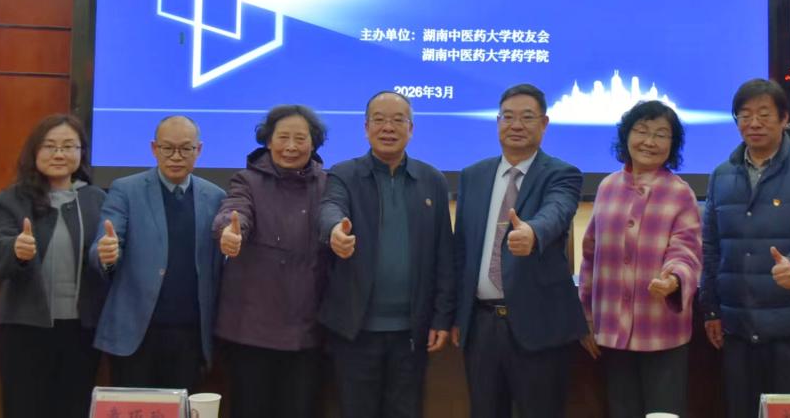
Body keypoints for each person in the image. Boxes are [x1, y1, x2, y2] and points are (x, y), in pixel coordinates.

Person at [699, 78, 790, 418]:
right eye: (745, 115)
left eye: (764, 114)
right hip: (739, 329)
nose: (754, 123)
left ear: (784, 118)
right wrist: (711, 310)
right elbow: (711, 246)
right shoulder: (721, 175)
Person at [452, 83, 588, 418]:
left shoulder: (562, 174)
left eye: (527, 117)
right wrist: (456, 316)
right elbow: (462, 251)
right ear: (497, 122)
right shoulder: (473, 176)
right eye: (508, 117)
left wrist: (533, 232)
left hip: (539, 324)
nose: (516, 125)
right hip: (481, 326)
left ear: (544, 123)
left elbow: (556, 211)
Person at [317, 91, 455, 418]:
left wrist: (441, 317)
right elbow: (330, 208)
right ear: (366, 128)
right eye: (379, 120)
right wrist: (335, 231)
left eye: (397, 120)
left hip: (412, 332)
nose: (388, 127)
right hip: (355, 330)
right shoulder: (343, 174)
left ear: (411, 128)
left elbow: (444, 255)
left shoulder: (431, 180)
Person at [578, 100, 702, 418]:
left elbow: (686, 249)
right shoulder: (607, 187)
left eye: (661, 134)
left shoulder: (680, 193)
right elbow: (590, 256)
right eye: (642, 131)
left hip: (661, 330)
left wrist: (673, 279)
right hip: (612, 331)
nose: (649, 141)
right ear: (626, 135)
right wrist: (586, 318)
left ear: (672, 144)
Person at [0, 114, 106, 418]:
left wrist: (111, 256)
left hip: (81, 330)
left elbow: (107, 261)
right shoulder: (10, 200)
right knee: (25, 407)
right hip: (24, 328)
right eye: (49, 146)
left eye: (69, 146)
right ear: (34, 151)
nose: (59, 154)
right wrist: (15, 249)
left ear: (81, 153)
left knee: (74, 408)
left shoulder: (97, 200)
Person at [89, 115, 225, 391]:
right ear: (154, 148)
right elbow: (105, 241)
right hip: (136, 332)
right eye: (167, 148)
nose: (176, 156)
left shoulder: (215, 196)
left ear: (198, 150)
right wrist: (106, 253)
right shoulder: (126, 189)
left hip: (190, 334)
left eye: (185, 149)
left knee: (182, 406)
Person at [213, 105, 330, 418]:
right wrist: (229, 231)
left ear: (313, 144)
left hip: (307, 331)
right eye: (283, 137)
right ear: (268, 141)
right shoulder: (247, 181)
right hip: (251, 330)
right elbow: (235, 211)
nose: (291, 146)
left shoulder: (327, 185)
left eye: (300, 139)